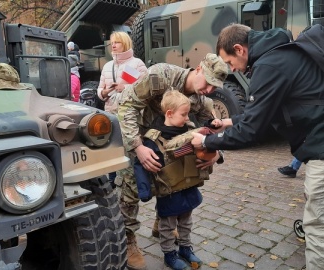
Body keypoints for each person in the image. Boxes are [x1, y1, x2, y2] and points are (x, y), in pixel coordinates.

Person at [190, 24, 324, 270]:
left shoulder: (270, 65)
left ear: (239, 49)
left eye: (229, 61)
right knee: (319, 217)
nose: (230, 69)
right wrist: (228, 122)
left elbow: (251, 131)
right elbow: (266, 112)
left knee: (320, 230)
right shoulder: (280, 54)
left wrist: (206, 141)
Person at [117, 53, 227, 270]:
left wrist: (216, 154)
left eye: (215, 87)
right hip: (138, 135)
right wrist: (137, 147)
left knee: (171, 182)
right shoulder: (161, 75)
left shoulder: (201, 99)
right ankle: (128, 239)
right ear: (198, 69)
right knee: (130, 189)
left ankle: (161, 223)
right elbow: (126, 105)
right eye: (208, 83)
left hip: (169, 146)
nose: (209, 90)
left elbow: (212, 128)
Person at [134, 90, 221, 270]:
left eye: (188, 113)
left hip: (188, 185)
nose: (187, 117)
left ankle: (185, 248)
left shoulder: (189, 130)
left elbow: (207, 140)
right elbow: (140, 163)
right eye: (184, 114)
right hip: (169, 190)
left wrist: (215, 153)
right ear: (169, 113)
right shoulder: (153, 138)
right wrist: (144, 190)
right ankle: (169, 254)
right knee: (167, 225)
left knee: (186, 220)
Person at [97, 31, 147, 188]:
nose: (113, 45)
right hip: (111, 114)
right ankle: (112, 180)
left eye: (117, 42)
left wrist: (123, 87)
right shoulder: (107, 66)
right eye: (112, 42)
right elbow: (100, 90)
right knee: (112, 147)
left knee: (130, 147)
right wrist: (104, 93)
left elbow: (146, 90)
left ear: (125, 43)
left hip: (130, 116)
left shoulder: (137, 64)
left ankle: (134, 180)